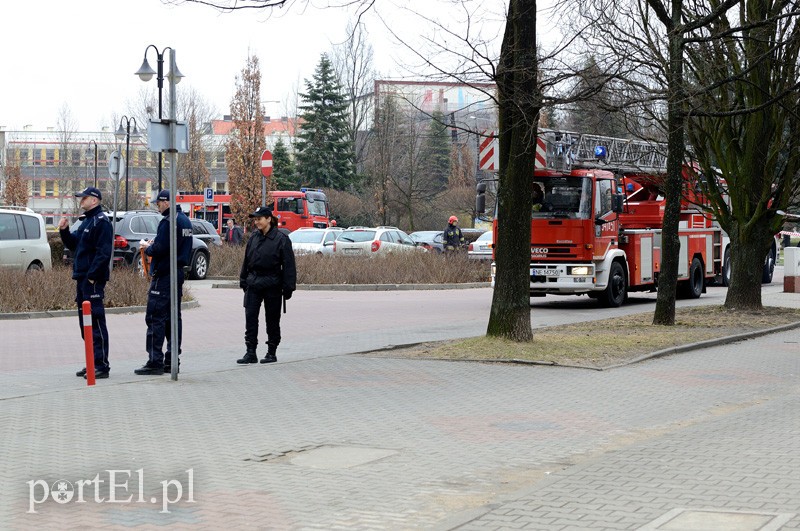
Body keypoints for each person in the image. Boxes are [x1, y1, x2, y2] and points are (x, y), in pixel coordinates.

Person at [134, 190, 193, 375]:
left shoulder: (168, 222)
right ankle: (172, 359)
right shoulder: (184, 220)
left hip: (164, 275)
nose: (157, 206)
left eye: (158, 203)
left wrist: (148, 248)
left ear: (166, 202)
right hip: (177, 273)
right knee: (173, 319)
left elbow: (160, 247)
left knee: (155, 317)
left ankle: (155, 361)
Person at [59, 186, 113, 380]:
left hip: (92, 280)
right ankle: (92, 361)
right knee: (85, 323)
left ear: (95, 200)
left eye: (84, 198)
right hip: (82, 277)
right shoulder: (86, 221)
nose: (81, 201)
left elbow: (103, 253)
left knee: (96, 321)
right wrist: (64, 231)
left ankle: (101, 365)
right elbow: (75, 245)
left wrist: (92, 276)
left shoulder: (101, 222)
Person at [237, 206, 297, 364]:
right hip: (253, 283)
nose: (256, 222)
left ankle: (271, 351)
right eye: (255, 219)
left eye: (259, 219)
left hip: (273, 284)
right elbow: (247, 261)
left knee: (272, 319)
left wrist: (288, 287)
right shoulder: (253, 238)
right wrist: (243, 280)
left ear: (269, 219)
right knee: (250, 318)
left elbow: (289, 265)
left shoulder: (281, 239)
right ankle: (250, 352)